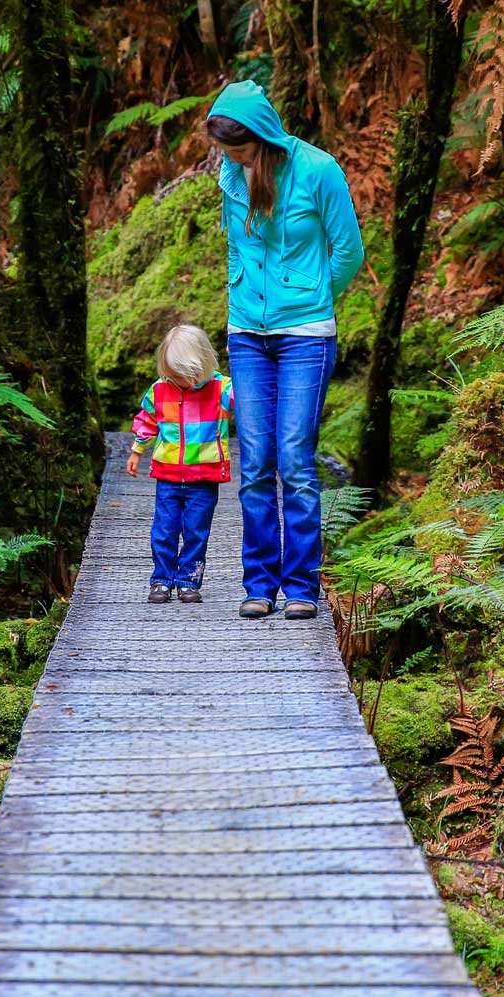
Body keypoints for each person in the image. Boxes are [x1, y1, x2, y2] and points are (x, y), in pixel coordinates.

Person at [204, 81, 364, 621]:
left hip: (305, 336)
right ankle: (258, 584)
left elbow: (348, 251)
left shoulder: (318, 171)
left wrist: (312, 296)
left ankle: (300, 587)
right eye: (227, 150)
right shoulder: (229, 173)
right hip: (246, 332)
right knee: (254, 463)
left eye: (239, 148)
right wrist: (242, 297)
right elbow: (236, 244)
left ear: (264, 137)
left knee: (295, 459)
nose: (232, 159)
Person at [126, 323, 237, 604]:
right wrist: (137, 451)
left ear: (202, 365)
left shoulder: (222, 388)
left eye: (186, 376)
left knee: (196, 531)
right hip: (168, 476)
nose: (180, 381)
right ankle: (162, 579)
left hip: (205, 477)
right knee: (164, 529)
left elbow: (244, 400)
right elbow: (147, 421)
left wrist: (238, 356)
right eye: (173, 374)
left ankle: (189, 580)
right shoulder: (159, 390)